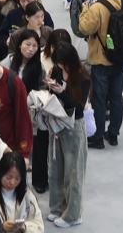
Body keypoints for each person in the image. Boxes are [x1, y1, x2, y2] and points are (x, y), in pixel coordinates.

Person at [78, 0, 123, 149]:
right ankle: (113, 133)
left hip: (101, 59)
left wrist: (85, 10)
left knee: (99, 99)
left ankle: (97, 136)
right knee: (116, 97)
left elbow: (85, 28)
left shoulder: (97, 8)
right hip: (120, 58)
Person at [45, 42, 88, 227]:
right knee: (55, 168)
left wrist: (61, 92)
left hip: (73, 126)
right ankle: (57, 207)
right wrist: (50, 87)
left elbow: (78, 106)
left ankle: (73, 214)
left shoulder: (83, 77)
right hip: (57, 123)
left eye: (63, 63)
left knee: (73, 172)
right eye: (58, 63)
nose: (60, 66)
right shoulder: (56, 70)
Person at [0, 151, 45, 233]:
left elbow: (39, 226)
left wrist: (24, 227)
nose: (12, 182)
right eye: (8, 177)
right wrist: (1, 228)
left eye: (17, 178)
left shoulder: (27, 194)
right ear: (0, 174)